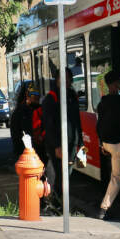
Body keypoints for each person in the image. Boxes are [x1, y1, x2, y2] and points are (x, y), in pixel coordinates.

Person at [41, 68, 81, 207]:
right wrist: (57, 145)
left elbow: (76, 120)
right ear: (57, 79)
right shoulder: (51, 98)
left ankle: (60, 202)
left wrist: (80, 142)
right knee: (60, 175)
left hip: (72, 142)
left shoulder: (72, 95)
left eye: (69, 78)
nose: (68, 81)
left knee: (67, 175)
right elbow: (49, 124)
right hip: (57, 144)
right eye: (65, 78)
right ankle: (57, 204)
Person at [96, 70, 120, 220]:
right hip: (118, 145)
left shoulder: (102, 102)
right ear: (116, 84)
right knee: (117, 177)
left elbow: (99, 126)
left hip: (106, 144)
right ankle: (104, 208)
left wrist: (101, 143)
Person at [9, 83, 39, 159]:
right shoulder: (21, 112)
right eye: (33, 94)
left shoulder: (37, 108)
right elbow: (19, 134)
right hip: (26, 150)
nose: (37, 97)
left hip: (32, 149)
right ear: (27, 96)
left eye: (37, 94)